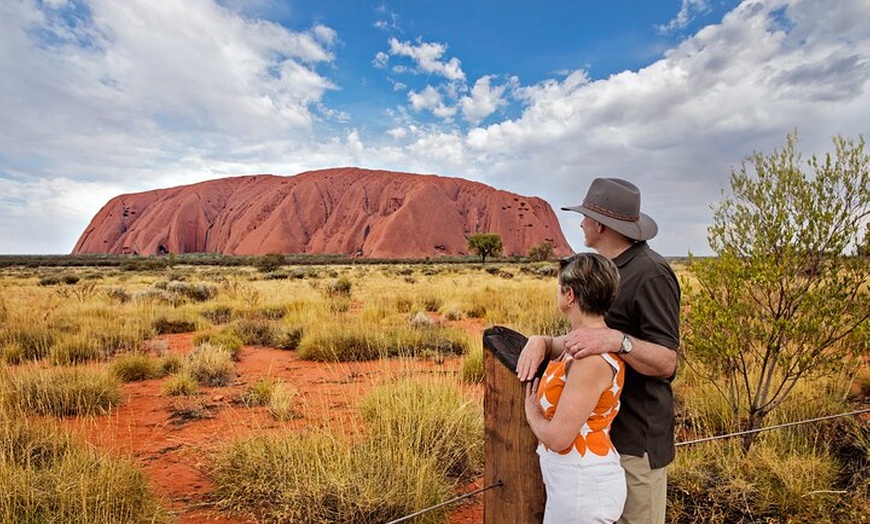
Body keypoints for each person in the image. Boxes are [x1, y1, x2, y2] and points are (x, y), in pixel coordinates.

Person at [517, 177, 680, 524]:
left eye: (586, 217)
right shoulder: (605, 270)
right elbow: (587, 338)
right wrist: (542, 342)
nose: (581, 224)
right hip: (598, 441)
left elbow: (667, 361)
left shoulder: (651, 273)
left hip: (636, 441)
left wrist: (618, 341)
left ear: (601, 225)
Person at [523, 252, 627, 524]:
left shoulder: (590, 360)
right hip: (575, 483)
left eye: (560, 287)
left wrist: (532, 413)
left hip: (583, 487)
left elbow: (558, 438)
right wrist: (538, 340)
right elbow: (553, 343)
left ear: (570, 296)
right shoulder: (583, 341)